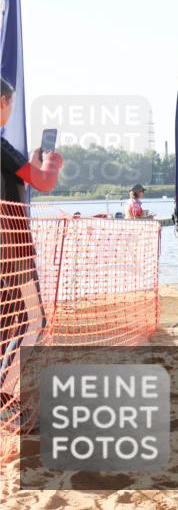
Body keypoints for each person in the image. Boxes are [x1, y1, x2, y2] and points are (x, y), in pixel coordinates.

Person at [1, 76, 63, 421]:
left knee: (12, 319)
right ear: (3, 103)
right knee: (32, 319)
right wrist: (52, 162)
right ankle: (6, 394)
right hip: (10, 245)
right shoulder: (2, 146)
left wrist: (36, 163)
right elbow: (43, 182)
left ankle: (7, 393)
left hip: (6, 245)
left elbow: (28, 177)